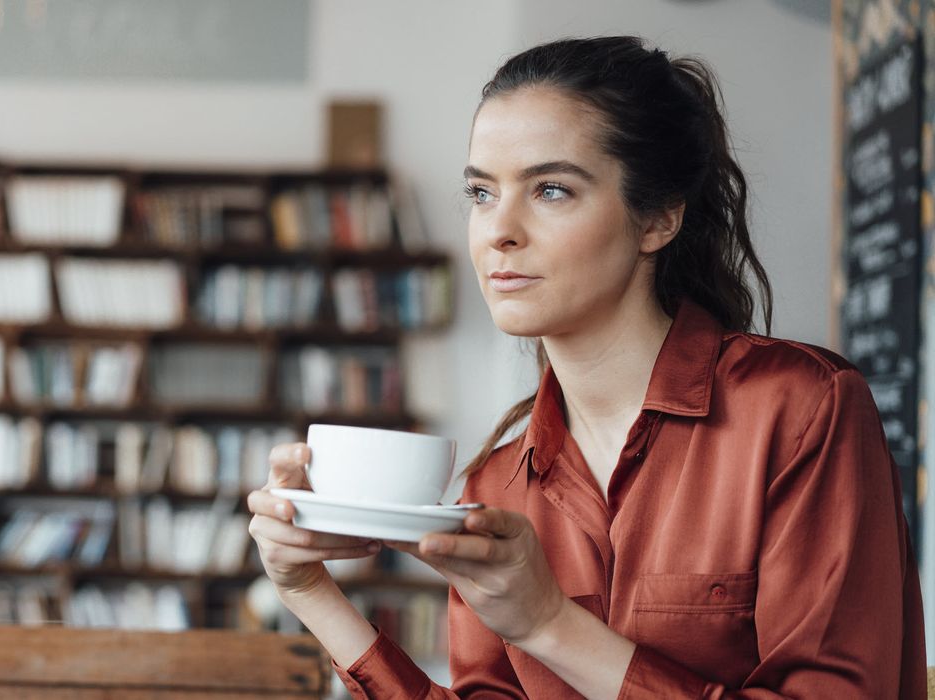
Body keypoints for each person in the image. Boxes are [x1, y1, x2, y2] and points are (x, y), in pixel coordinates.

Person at [246, 35, 925, 699]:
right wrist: (309, 591)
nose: (499, 230)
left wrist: (548, 624)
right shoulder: (499, 485)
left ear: (658, 218)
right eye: (482, 193)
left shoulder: (803, 409)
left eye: (550, 190)